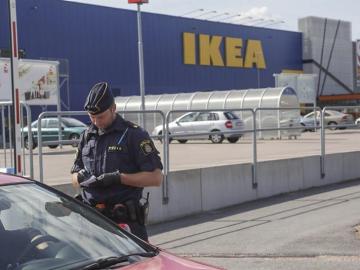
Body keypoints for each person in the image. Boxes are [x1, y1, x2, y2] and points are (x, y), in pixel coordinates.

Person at [71, 82, 163, 241]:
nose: (95, 122)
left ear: (113, 108)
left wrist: (119, 178)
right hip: (91, 223)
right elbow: (73, 176)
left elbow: (156, 178)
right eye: (91, 117)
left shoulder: (134, 135)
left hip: (124, 224)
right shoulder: (87, 136)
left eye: (100, 116)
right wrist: (79, 177)